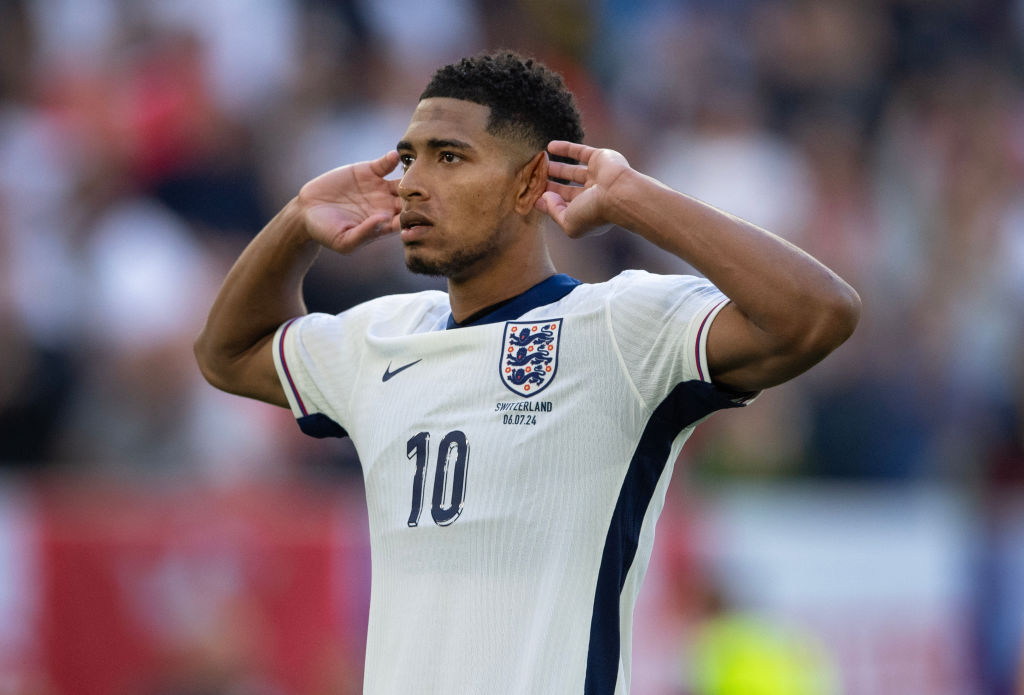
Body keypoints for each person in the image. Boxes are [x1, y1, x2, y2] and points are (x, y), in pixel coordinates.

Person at [194, 51, 860, 694]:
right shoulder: (381, 337)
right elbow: (227, 353)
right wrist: (295, 223)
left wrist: (633, 197)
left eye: (449, 157)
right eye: (408, 157)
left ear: (529, 182)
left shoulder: (621, 328)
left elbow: (816, 314)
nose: (414, 181)